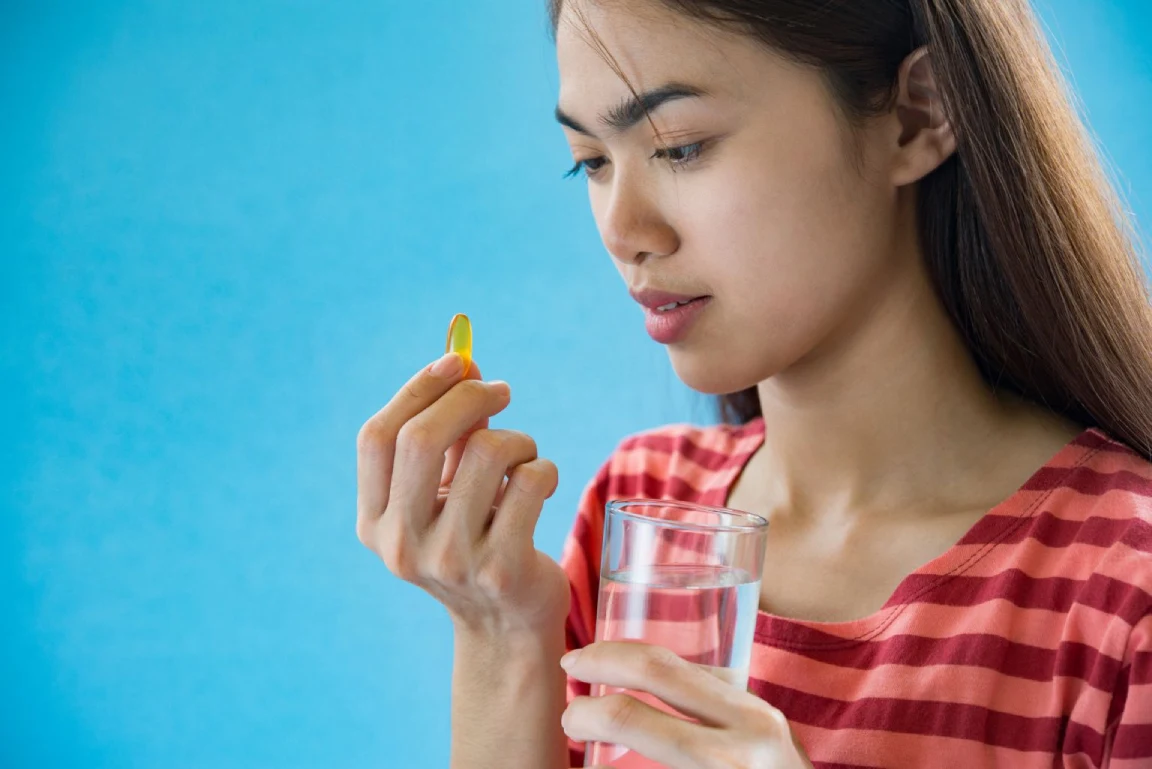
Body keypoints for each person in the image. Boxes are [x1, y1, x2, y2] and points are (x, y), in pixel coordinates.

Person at [356, 0, 1152, 766]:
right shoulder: (640, 515)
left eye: (679, 146)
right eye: (592, 163)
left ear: (917, 115)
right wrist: (498, 630)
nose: (624, 232)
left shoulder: (1125, 587)